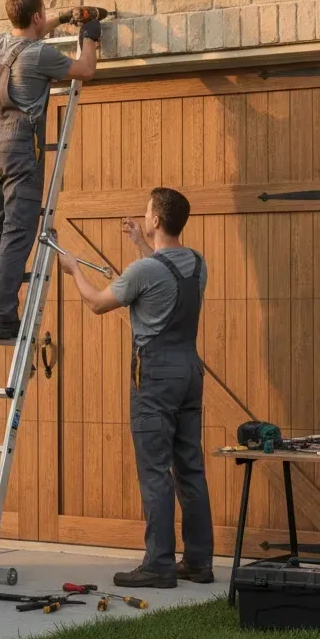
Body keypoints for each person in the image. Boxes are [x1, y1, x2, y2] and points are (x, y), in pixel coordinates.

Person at [57, 188, 214, 589]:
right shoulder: (197, 264)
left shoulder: (143, 272)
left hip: (157, 376)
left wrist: (75, 270)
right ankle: (198, 562)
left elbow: (96, 302)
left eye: (147, 214)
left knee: (155, 471)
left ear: (157, 220)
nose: (144, 217)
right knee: (190, 468)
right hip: (190, 372)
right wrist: (142, 245)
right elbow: (167, 277)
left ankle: (159, 565)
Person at [0, 0, 100, 340]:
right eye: (44, 13)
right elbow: (86, 69)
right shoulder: (39, 55)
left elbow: (34, 30)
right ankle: (2, 317)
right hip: (20, 147)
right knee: (18, 233)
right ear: (36, 17)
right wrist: (89, 32)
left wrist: (64, 17)